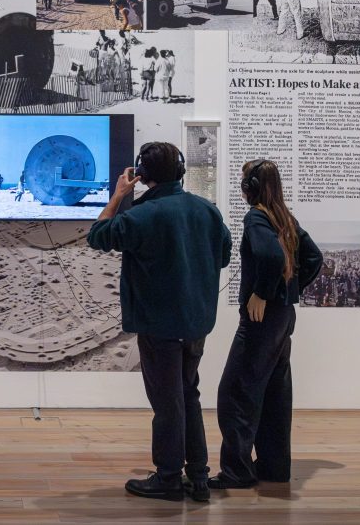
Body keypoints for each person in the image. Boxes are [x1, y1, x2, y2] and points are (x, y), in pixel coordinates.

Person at [87, 143, 232, 502]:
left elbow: (97, 236)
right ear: (180, 171)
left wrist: (120, 194)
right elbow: (224, 256)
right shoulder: (207, 211)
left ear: (141, 174)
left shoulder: (141, 215)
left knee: (168, 403)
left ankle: (168, 478)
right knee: (189, 395)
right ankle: (198, 476)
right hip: (197, 322)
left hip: (159, 324)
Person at [212, 159, 323, 490]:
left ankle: (237, 472)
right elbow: (315, 258)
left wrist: (263, 293)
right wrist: (286, 292)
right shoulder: (285, 218)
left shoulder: (256, 216)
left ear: (252, 187)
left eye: (244, 181)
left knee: (234, 394)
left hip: (262, 320)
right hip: (284, 317)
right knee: (275, 393)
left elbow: (271, 257)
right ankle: (274, 468)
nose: (241, 186)